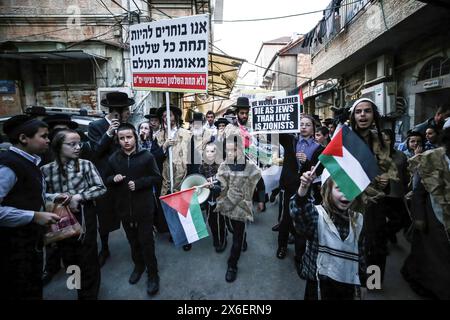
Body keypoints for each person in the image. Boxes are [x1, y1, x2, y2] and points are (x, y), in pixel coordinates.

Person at [0, 115, 60, 300]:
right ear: (24, 138)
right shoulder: (8, 165)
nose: (48, 140)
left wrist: (53, 197)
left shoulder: (30, 161)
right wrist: (33, 216)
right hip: (13, 248)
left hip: (30, 242)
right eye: (43, 136)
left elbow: (28, 194)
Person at [41, 129, 106, 300]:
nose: (78, 148)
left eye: (79, 144)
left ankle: (89, 295)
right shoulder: (46, 170)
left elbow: (100, 188)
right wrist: (57, 197)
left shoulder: (85, 165)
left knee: (87, 256)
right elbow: (40, 195)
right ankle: (76, 287)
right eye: (72, 144)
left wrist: (78, 197)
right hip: (59, 218)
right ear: (58, 146)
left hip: (84, 215)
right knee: (69, 256)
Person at [289, 169, 367, 300]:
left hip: (346, 288)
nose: (346, 195)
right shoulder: (317, 216)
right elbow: (299, 213)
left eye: (351, 189)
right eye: (339, 188)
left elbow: (362, 255)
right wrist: (303, 190)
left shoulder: (358, 220)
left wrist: (365, 283)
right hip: (317, 286)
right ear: (327, 190)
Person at [105, 123, 162, 296]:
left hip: (144, 207)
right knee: (132, 241)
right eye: (121, 138)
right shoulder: (114, 159)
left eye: (129, 137)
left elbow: (156, 177)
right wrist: (112, 178)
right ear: (118, 140)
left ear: (136, 137)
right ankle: (138, 266)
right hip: (124, 208)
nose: (126, 141)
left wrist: (139, 184)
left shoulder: (147, 156)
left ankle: (153, 274)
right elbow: (106, 178)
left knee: (146, 241)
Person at [349, 98, 399, 285]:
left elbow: (388, 168)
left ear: (374, 115)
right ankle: (353, 280)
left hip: (376, 203)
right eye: (358, 111)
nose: (363, 115)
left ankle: (373, 281)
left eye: (367, 111)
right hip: (351, 200)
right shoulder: (345, 140)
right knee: (353, 243)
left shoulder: (381, 141)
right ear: (353, 116)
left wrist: (386, 178)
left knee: (376, 244)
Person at [401, 125, 450, 299]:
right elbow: (417, 190)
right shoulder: (431, 158)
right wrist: (419, 217)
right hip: (433, 216)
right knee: (435, 255)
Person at [88, 91, 133, 267]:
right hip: (105, 181)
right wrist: (108, 133)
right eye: (126, 110)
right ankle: (104, 248)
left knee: (128, 215)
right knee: (105, 217)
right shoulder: (96, 126)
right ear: (116, 112)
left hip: (124, 179)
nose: (128, 112)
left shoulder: (127, 127)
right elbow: (95, 153)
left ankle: (134, 247)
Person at [277, 115, 324, 271]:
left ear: (313, 129)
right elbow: (273, 132)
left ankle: (299, 256)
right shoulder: (290, 140)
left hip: (305, 190)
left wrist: (307, 163)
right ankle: (282, 246)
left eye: (307, 125)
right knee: (285, 219)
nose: (304, 127)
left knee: (300, 224)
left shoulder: (319, 149)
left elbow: (319, 170)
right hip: (289, 186)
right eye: (301, 124)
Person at [216, 134, 261, 282]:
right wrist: (213, 187)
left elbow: (260, 183)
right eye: (227, 150)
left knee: (237, 239)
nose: (230, 154)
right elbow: (220, 183)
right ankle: (242, 238)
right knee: (231, 229)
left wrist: (261, 201)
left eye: (233, 150)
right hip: (227, 205)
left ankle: (232, 265)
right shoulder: (223, 165)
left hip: (242, 207)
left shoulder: (251, 167)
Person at [155, 103, 192, 251]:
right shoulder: (158, 136)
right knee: (170, 207)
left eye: (168, 115)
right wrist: (164, 146)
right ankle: (176, 233)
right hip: (166, 178)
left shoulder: (186, 134)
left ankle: (187, 237)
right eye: (163, 116)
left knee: (184, 207)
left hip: (183, 175)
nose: (166, 118)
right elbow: (154, 157)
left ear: (175, 117)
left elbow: (193, 156)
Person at [381, 129, 411, 244]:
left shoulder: (401, 156)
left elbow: (406, 174)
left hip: (398, 194)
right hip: (382, 194)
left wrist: (407, 189)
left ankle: (388, 234)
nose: (385, 143)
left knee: (404, 220)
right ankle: (386, 236)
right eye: (382, 140)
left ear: (392, 141)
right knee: (390, 220)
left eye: (387, 140)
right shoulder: (375, 156)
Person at [198, 142, 227, 252]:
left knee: (221, 220)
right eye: (207, 151)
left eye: (212, 151)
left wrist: (215, 187)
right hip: (208, 199)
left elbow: (225, 185)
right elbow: (199, 181)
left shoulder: (222, 166)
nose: (209, 154)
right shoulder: (201, 167)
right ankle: (216, 237)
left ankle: (223, 239)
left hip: (220, 198)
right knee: (211, 221)